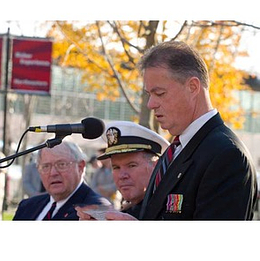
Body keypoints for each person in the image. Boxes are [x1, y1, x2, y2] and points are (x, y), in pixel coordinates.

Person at [78, 40, 258, 221]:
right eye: (149, 94)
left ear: (193, 87)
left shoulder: (225, 154)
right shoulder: (176, 150)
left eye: (160, 93)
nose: (151, 104)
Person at [13, 140, 110, 220]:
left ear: (80, 167)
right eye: (46, 166)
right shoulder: (27, 206)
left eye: (62, 165)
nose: (53, 173)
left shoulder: (96, 210)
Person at [96, 121, 169, 218]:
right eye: (116, 167)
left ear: (155, 167)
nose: (122, 176)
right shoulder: (129, 209)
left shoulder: (168, 210)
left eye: (132, 165)